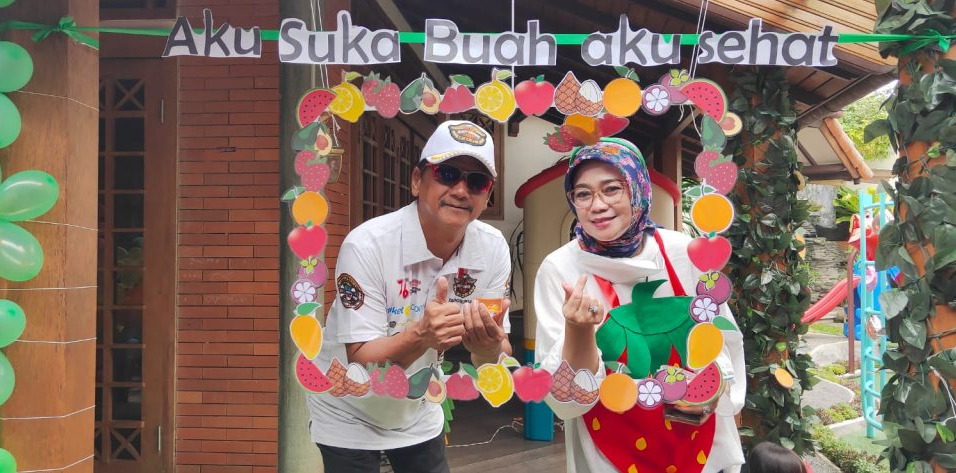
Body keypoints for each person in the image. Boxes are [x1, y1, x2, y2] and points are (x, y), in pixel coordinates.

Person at [309, 120, 513, 473]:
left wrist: (488, 347)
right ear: (418, 180)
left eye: (477, 181)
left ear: (487, 194)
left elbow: (493, 357)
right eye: (448, 174)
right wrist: (421, 336)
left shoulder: (493, 249)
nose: (461, 190)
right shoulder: (367, 245)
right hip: (347, 407)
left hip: (418, 404)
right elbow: (361, 361)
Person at [533, 138, 746, 473]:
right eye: (583, 194)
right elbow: (565, 401)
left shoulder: (682, 252)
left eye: (612, 189)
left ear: (638, 189)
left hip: (699, 440)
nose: (597, 205)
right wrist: (578, 332)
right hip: (611, 450)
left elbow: (721, 338)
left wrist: (712, 393)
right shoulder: (559, 268)